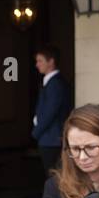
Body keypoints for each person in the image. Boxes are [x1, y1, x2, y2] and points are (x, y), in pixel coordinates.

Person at [31, 45, 70, 174]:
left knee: (54, 177)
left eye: (40, 61)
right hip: (48, 138)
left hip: (51, 139)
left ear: (51, 61)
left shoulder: (56, 84)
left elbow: (49, 113)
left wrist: (35, 133)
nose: (37, 65)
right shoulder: (51, 82)